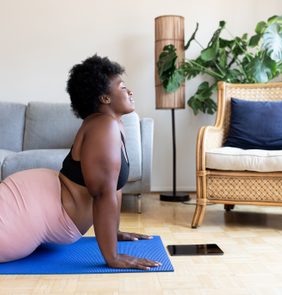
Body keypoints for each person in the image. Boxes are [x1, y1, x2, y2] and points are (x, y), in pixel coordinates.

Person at [0, 55, 161, 270]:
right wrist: (112, 257)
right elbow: (103, 193)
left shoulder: (115, 125)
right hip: (21, 211)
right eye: (122, 87)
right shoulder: (104, 126)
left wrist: (113, 232)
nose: (129, 91)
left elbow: (115, 188)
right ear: (105, 98)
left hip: (29, 201)